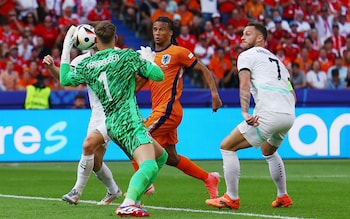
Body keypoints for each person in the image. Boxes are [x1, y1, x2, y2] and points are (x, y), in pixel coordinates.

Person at [59, 21, 168, 217]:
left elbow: (65, 79)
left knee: (161, 157)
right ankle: (128, 203)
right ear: (115, 38)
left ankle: (135, 199)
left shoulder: (86, 64)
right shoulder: (127, 56)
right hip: (129, 121)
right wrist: (149, 60)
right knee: (149, 164)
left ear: (95, 40)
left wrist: (66, 48)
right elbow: (158, 76)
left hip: (111, 124)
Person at [206, 22, 296, 210]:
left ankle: (231, 197)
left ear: (260, 38)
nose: (242, 37)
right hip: (288, 114)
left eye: (247, 34)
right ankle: (283, 196)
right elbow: (292, 93)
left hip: (270, 114)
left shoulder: (246, 56)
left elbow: (244, 84)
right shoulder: (278, 62)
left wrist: (245, 112)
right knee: (268, 151)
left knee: (227, 147)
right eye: (242, 34)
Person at [135, 16, 223, 200]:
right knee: (172, 158)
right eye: (155, 29)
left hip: (169, 110)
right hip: (160, 111)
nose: (158, 33)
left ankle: (145, 185)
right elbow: (136, 87)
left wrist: (214, 95)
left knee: (136, 138)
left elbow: (203, 69)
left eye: (162, 29)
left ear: (170, 32)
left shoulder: (178, 52)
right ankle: (209, 178)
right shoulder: (150, 58)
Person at [42, 24, 121, 206]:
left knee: (87, 147)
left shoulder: (117, 54)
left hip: (114, 111)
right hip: (96, 114)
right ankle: (114, 191)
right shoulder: (81, 61)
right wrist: (52, 67)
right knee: (97, 161)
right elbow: (66, 80)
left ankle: (76, 191)